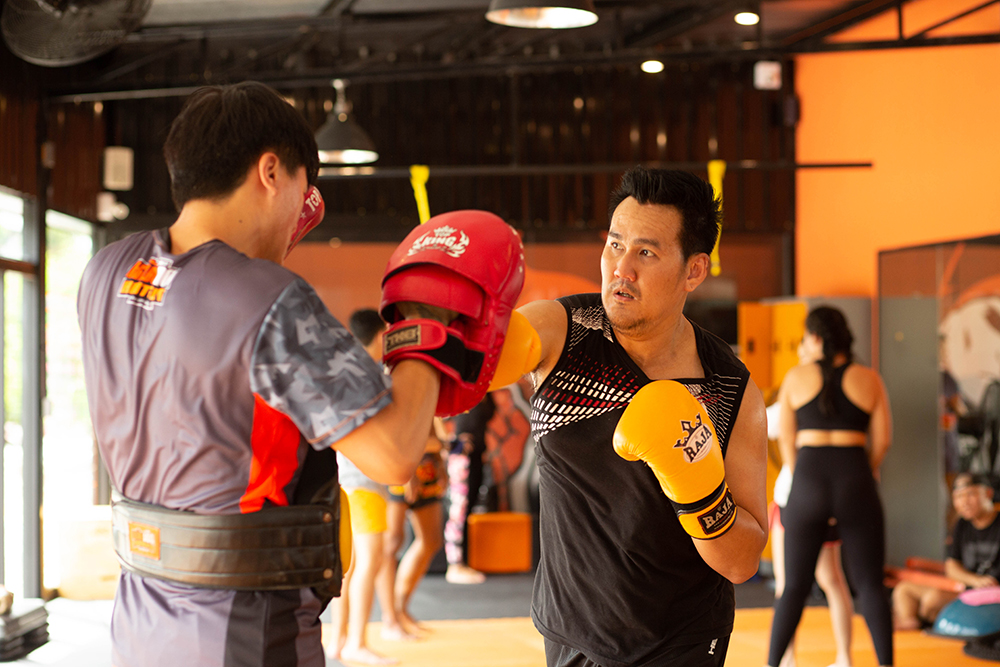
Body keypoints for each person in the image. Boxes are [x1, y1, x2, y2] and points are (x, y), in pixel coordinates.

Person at [76, 82, 474, 667]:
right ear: (270, 172)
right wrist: (424, 322)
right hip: (242, 632)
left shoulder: (104, 269)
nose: (300, 213)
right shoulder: (266, 296)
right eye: (301, 189)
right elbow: (391, 454)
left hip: (140, 624)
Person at [493, 166, 769, 666]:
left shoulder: (731, 389)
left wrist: (701, 493)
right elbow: (482, 366)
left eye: (645, 252)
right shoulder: (564, 329)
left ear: (694, 270)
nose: (622, 268)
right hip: (573, 633)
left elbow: (743, 560)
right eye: (614, 245)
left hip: (683, 640)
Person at [766, 306, 893, 667]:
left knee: (793, 586)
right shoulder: (869, 379)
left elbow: (786, 440)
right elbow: (882, 441)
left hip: (808, 478)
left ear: (817, 338)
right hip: (854, 475)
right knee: (869, 585)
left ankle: (772, 664)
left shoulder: (796, 377)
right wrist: (860, 475)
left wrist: (804, 475)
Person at [766, 338, 855, 667]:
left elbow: (767, 423)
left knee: (789, 584)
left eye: (805, 342)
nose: (801, 348)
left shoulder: (799, 385)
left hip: (796, 498)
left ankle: (785, 659)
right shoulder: (847, 387)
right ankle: (844, 657)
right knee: (832, 579)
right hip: (829, 496)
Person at [329, 309, 399, 665]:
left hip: (346, 480)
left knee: (352, 566)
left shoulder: (345, 371)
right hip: (363, 482)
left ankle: (339, 642)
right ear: (381, 335)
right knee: (367, 562)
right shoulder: (370, 374)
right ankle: (355, 642)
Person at [892, 472, 1000, 631]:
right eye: (958, 496)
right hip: (968, 591)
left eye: (970, 494)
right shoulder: (962, 525)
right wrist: (975, 580)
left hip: (992, 596)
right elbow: (951, 567)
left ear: (988, 493)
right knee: (904, 589)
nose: (964, 502)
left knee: (933, 599)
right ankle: (911, 622)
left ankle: (929, 621)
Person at [375, 418, 446, 639]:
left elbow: (436, 439)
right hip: (398, 470)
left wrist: (440, 464)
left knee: (431, 540)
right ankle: (390, 618)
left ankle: (401, 607)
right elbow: (396, 436)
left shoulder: (429, 389)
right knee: (392, 542)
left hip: (426, 470)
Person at [442, 394, 494, 584]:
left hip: (477, 455)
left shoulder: (486, 389)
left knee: (468, 507)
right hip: (462, 455)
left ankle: (461, 562)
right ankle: (454, 564)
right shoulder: (467, 387)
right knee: (459, 510)